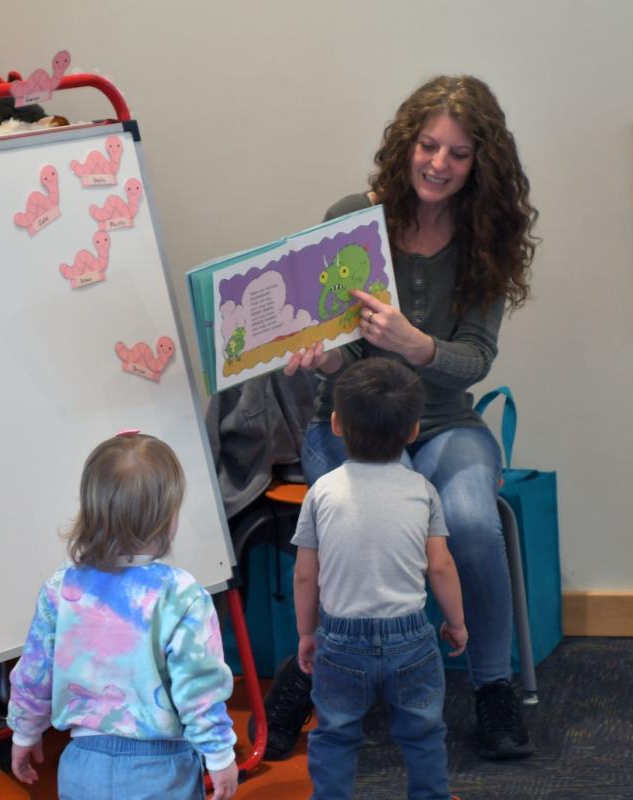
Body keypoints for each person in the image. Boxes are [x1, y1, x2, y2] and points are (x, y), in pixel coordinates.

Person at [270, 74, 539, 761]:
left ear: (483, 163)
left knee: (474, 522)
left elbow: (475, 359)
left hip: (447, 422)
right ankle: (313, 678)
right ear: (406, 144)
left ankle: (493, 689)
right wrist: (323, 361)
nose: (439, 165)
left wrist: (414, 345)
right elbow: (343, 355)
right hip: (353, 421)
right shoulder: (352, 218)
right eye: (429, 146)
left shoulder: (489, 235)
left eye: (458, 153)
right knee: (349, 521)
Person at [5, 432, 239, 800]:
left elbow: (34, 672)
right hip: (161, 772)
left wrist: (24, 732)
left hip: (81, 768)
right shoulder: (180, 594)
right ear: (169, 517)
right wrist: (219, 753)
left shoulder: (61, 589)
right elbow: (199, 685)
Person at [293, 358, 467, 799]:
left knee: (334, 735)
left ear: (335, 424)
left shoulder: (321, 492)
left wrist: (305, 632)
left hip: (339, 639)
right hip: (410, 636)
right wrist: (457, 622)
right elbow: (441, 566)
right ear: (412, 431)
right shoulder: (422, 491)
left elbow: (305, 576)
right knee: (424, 734)